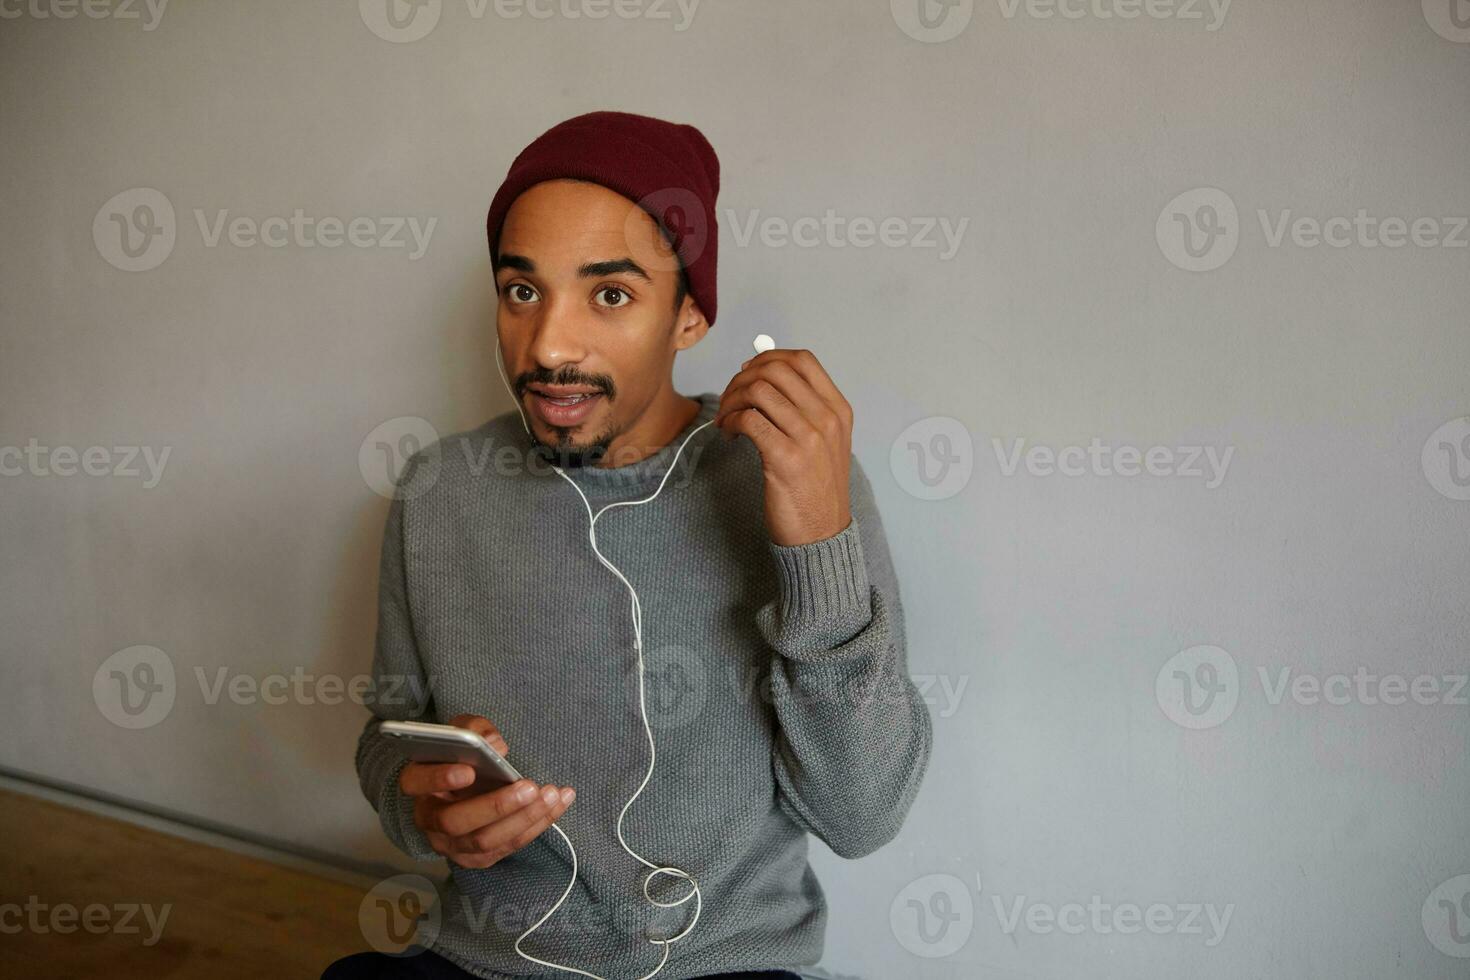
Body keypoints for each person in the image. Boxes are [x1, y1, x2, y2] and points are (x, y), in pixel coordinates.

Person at [326, 110, 933, 980]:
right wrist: (421, 803)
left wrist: (818, 541)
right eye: (521, 290)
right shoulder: (439, 491)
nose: (549, 346)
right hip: (484, 963)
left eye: (610, 294)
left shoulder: (793, 476)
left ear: (689, 317)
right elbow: (390, 737)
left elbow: (861, 815)